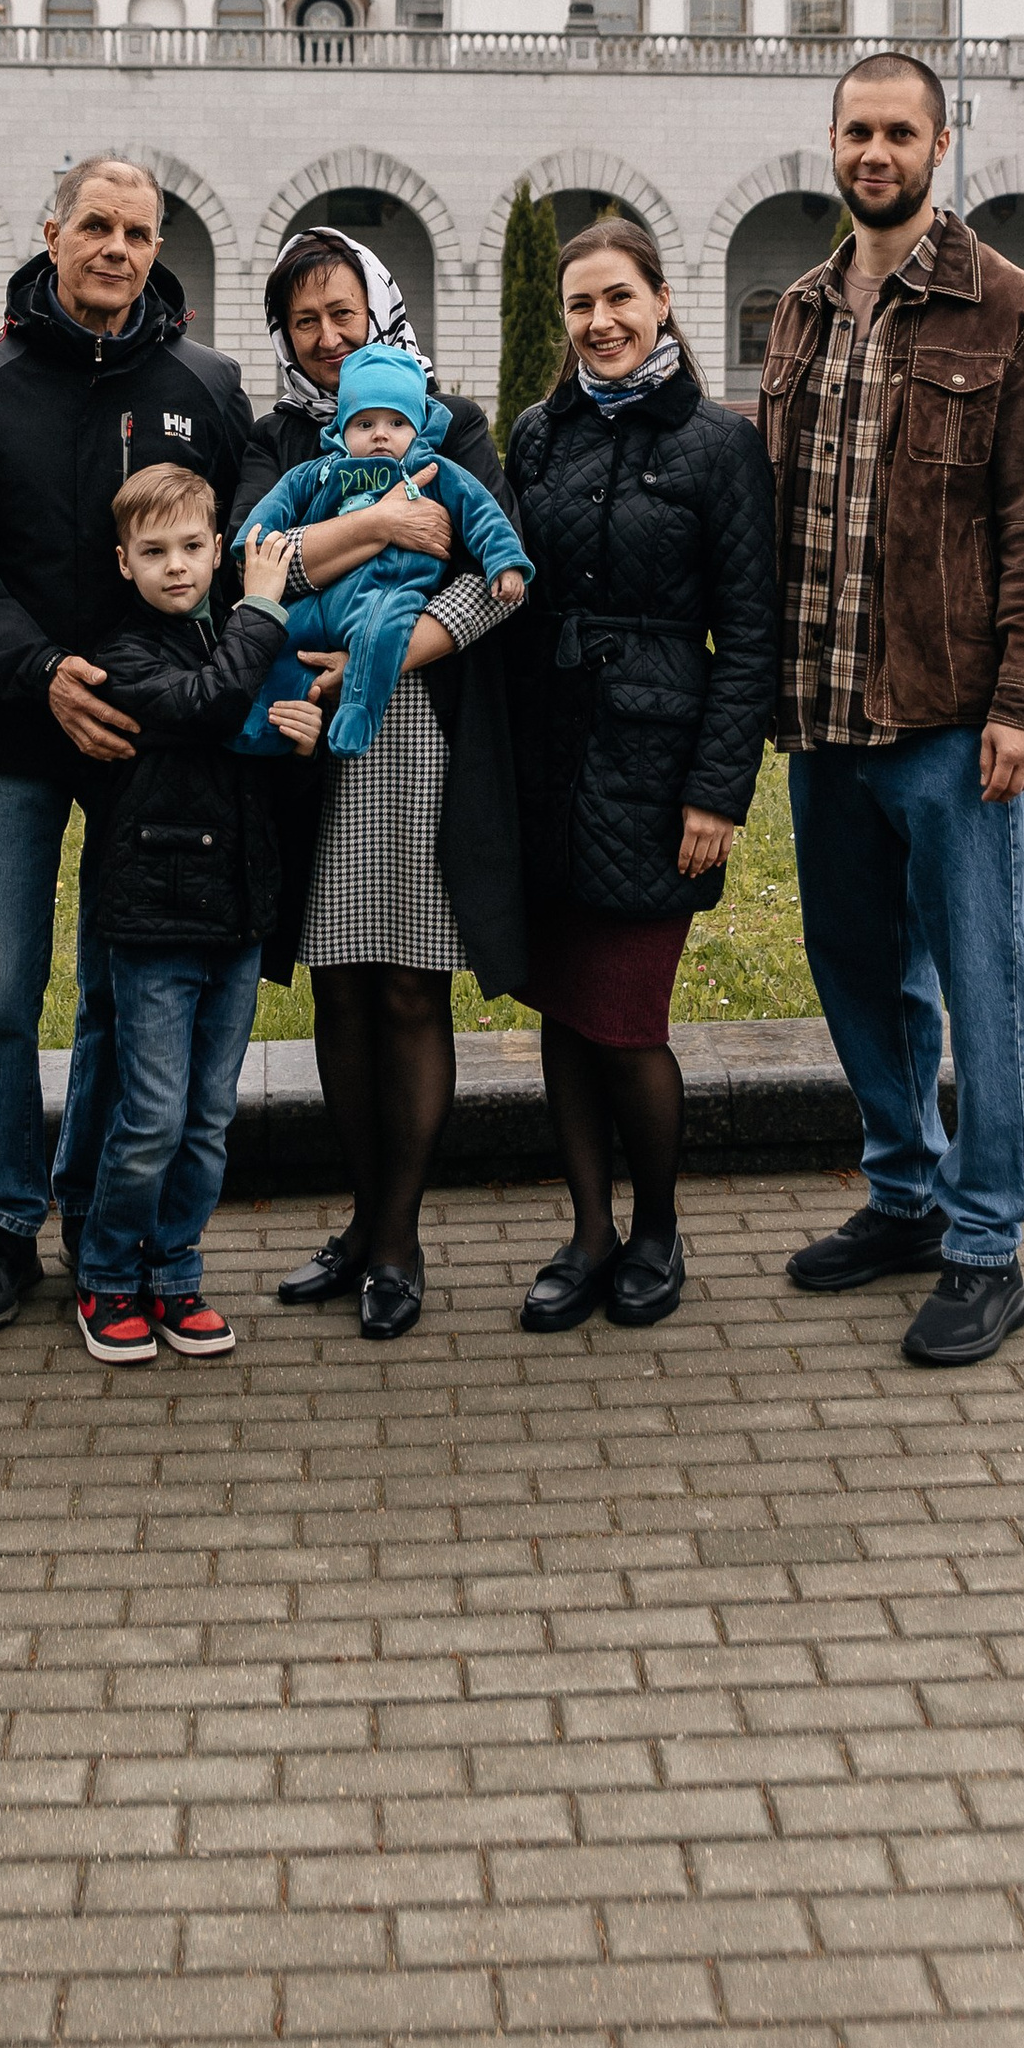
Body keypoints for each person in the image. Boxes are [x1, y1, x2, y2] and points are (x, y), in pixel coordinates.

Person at [760, 55, 1024, 1368]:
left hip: (954, 724)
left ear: (939, 145)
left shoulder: (1012, 311)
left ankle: (988, 1245)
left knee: (983, 981)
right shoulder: (797, 309)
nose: (875, 150)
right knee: (856, 972)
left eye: (899, 131)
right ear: (831, 144)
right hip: (826, 717)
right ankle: (905, 1194)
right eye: (857, 130)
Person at [0, 155, 252, 1335]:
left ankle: (96, 1223)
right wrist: (40, 670)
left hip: (151, 745)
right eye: (97, 227)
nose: (117, 249)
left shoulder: (205, 382)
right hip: (20, 725)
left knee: (121, 998)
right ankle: (6, 1217)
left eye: (139, 231)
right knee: (3, 988)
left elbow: (234, 545)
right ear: (52, 230)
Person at [237, 230, 525, 1340]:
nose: (325, 339)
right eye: (304, 320)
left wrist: (399, 649)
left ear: (380, 315)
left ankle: (397, 1239)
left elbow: (501, 574)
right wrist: (381, 527)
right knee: (342, 985)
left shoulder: (453, 430)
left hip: (418, 733)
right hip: (312, 744)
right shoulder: (277, 441)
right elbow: (257, 564)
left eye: (342, 314)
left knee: (409, 984)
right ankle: (361, 1222)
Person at [505, 220, 774, 1332]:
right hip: (547, 757)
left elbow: (752, 633)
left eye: (619, 299)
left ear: (662, 301)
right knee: (562, 1019)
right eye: (579, 306)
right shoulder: (536, 433)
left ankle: (656, 1225)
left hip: (657, 770)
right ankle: (587, 1230)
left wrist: (717, 791)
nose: (600, 323)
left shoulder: (718, 445)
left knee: (625, 1018)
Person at [66, 472, 325, 1362]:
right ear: (124, 563)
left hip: (237, 920)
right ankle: (105, 1272)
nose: (175, 568)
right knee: (151, 1117)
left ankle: (175, 1272)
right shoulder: (125, 653)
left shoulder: (235, 641)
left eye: (190, 548)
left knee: (209, 1117)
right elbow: (205, 704)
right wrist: (262, 606)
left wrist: (297, 738)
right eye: (153, 552)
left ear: (217, 548)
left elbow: (251, 748)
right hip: (153, 926)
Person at [235, 342, 527, 753]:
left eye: (396, 423)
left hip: (391, 590)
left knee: (381, 635)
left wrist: (505, 562)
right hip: (327, 594)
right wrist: (253, 539)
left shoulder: (432, 471)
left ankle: (358, 712)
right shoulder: (322, 470)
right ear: (342, 430)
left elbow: (483, 513)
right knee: (279, 635)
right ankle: (254, 722)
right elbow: (278, 501)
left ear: (418, 429)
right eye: (364, 424)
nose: (380, 436)